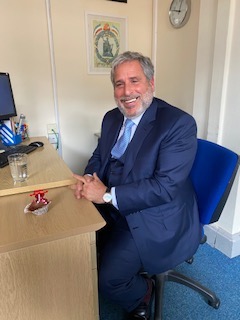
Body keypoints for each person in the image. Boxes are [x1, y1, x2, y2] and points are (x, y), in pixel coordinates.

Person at [71, 51, 202, 320]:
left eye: (134, 81)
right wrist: (89, 180)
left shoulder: (178, 124)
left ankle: (142, 293)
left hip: (157, 216)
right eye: (119, 83)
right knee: (75, 244)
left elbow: (164, 187)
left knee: (107, 280)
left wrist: (106, 195)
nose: (127, 91)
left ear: (151, 83)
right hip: (116, 203)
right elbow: (99, 157)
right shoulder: (111, 118)